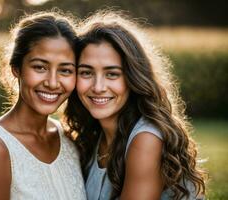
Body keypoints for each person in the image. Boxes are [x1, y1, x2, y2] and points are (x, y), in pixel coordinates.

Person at [65, 10, 206, 200]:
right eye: (86, 72)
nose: (98, 87)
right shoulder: (91, 137)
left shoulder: (146, 139)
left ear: (133, 78)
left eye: (112, 74)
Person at [0, 11, 86, 200]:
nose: (52, 83)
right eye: (40, 67)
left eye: (65, 70)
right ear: (17, 68)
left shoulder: (69, 138)